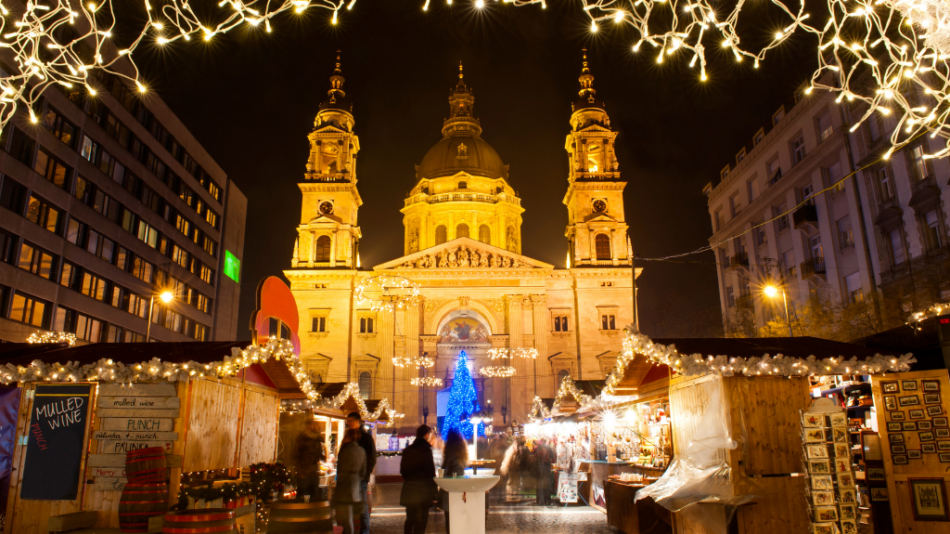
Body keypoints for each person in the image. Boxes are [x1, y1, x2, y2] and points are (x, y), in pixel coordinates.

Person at [400, 425, 438, 534]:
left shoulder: (407, 450)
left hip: (409, 490)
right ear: (426, 435)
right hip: (423, 491)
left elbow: (403, 471)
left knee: (410, 519)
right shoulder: (426, 450)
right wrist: (434, 494)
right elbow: (431, 474)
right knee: (421, 522)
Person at [346, 412, 377, 534]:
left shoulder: (366, 438)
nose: (348, 423)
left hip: (360, 478)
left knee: (362, 508)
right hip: (348, 477)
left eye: (350, 421)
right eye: (347, 421)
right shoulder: (347, 437)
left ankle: (364, 532)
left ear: (358, 421)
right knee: (348, 507)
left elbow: (372, 458)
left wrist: (365, 474)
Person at [334, 428, 367, 534]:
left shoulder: (344, 450)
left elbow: (340, 469)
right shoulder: (361, 451)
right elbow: (363, 471)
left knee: (346, 518)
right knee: (352, 518)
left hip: (345, 487)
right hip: (355, 487)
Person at [440, 430, 469, 534]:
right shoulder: (463, 451)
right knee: (458, 513)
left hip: (450, 485)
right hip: (461, 484)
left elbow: (445, 467)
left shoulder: (450, 452)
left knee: (449, 516)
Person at [293, 418, 325, 501]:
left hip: (313, 472)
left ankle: (314, 512)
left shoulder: (317, 439)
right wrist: (299, 470)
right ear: (308, 426)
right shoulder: (302, 438)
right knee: (303, 496)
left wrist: (322, 456)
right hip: (304, 472)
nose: (315, 427)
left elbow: (319, 454)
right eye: (313, 425)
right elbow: (296, 455)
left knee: (314, 496)